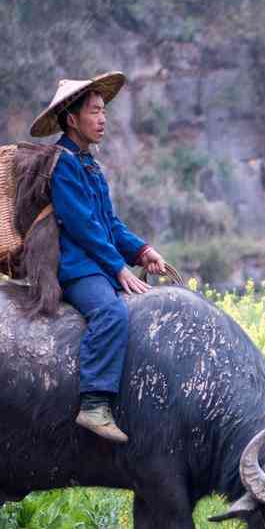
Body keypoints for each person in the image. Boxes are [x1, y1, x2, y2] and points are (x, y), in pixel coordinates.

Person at [28, 73, 175, 445]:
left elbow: (109, 223)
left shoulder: (89, 165)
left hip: (96, 262)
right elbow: (82, 226)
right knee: (110, 313)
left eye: (104, 111)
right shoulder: (63, 163)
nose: (103, 119)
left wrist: (142, 251)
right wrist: (118, 267)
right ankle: (94, 403)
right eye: (94, 112)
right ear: (72, 119)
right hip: (76, 267)